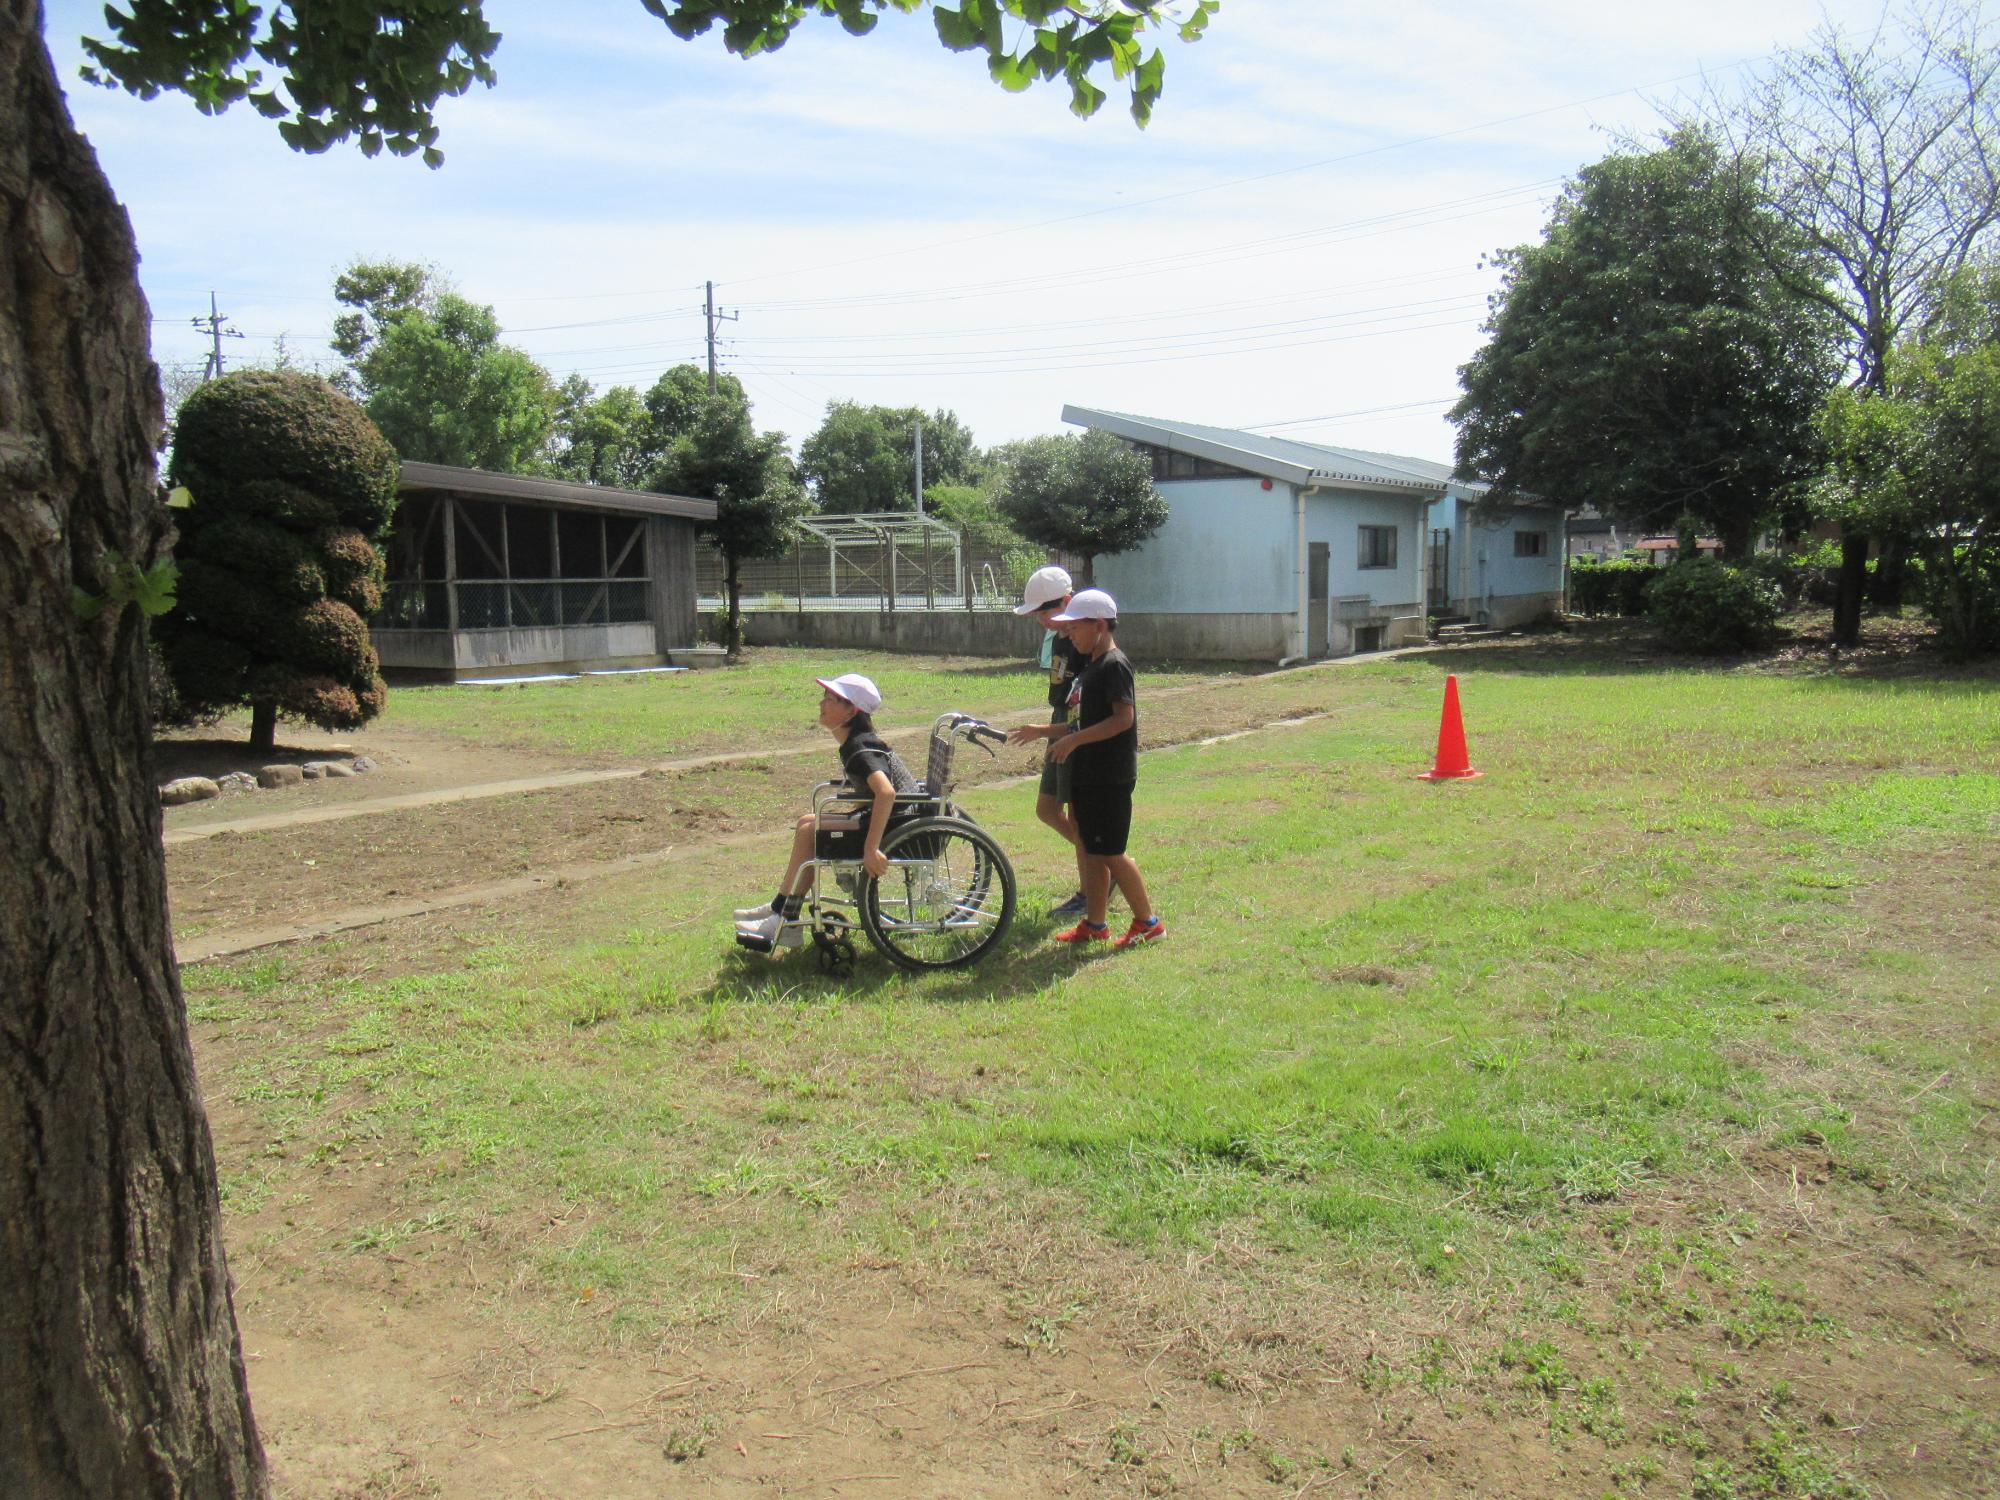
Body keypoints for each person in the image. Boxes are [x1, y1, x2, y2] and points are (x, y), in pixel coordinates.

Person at [1016, 589, 1164, 948]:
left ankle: (1148, 922)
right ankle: (1095, 924)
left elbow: (1122, 719)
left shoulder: (1113, 665)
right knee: (1090, 847)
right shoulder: (1090, 667)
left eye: (1075, 629)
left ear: (1099, 625)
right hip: (1088, 774)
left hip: (1108, 776)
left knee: (1110, 851)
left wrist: (1075, 741)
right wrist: (1045, 732)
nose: (1069, 635)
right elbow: (1080, 722)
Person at [735, 673, 917, 953]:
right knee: (807, 822)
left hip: (896, 828)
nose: (822, 703)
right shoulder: (857, 742)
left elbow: (886, 793)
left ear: (851, 712)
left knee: (811, 831)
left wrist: (871, 849)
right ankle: (781, 908)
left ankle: (785, 918)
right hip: (894, 820)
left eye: (831, 699)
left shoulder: (860, 748)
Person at [1006, 565, 1098, 918]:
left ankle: (1092, 887)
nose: (1042, 620)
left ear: (1068, 601)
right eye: (1037, 614)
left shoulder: (1084, 640)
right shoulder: (1060, 638)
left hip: (1075, 728)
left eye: (1046, 611)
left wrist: (1051, 732)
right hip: (1060, 719)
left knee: (1078, 817)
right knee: (1047, 810)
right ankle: (1104, 863)